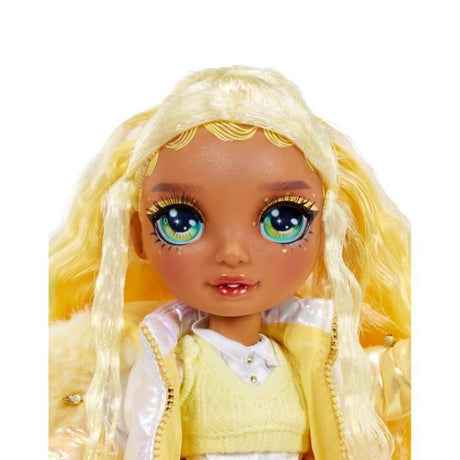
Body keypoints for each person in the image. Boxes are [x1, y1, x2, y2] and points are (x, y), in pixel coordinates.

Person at [49, 66, 410, 460]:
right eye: (180, 221)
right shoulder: (167, 362)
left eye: (284, 220)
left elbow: (377, 389)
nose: (232, 253)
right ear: (136, 235)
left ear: (328, 230)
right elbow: (114, 434)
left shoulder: (315, 356)